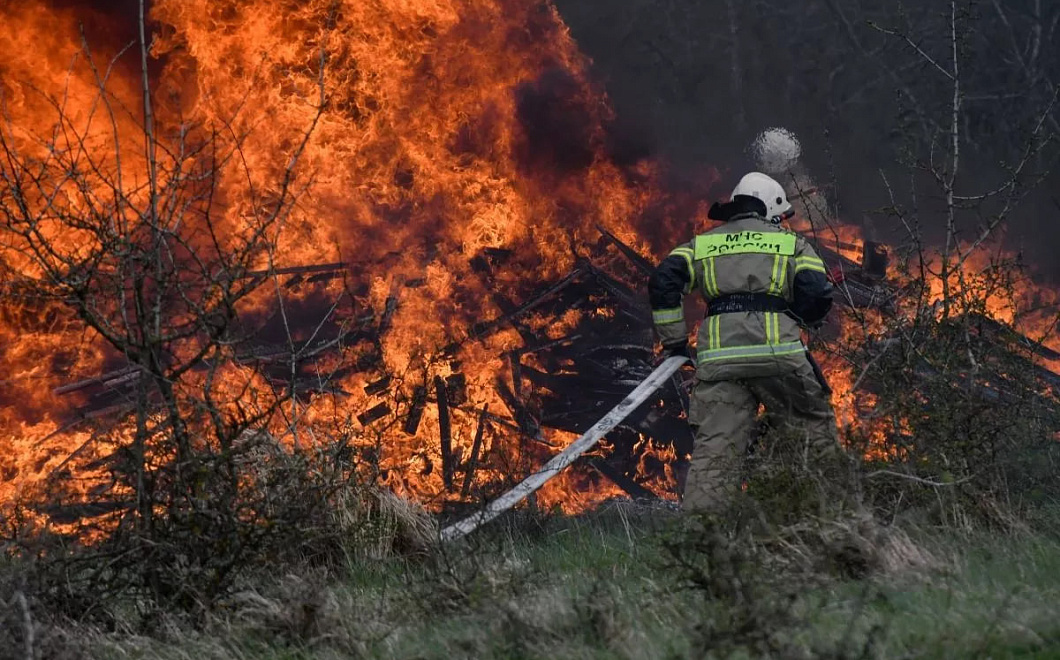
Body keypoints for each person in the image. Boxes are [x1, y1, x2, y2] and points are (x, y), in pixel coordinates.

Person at [649, 172, 842, 512]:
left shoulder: (703, 244)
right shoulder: (790, 243)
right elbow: (816, 291)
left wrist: (675, 343)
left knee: (716, 452)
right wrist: (796, 320)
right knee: (812, 435)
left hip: (721, 366)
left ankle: (702, 540)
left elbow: (664, 281)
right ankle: (829, 519)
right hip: (779, 358)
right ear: (770, 208)